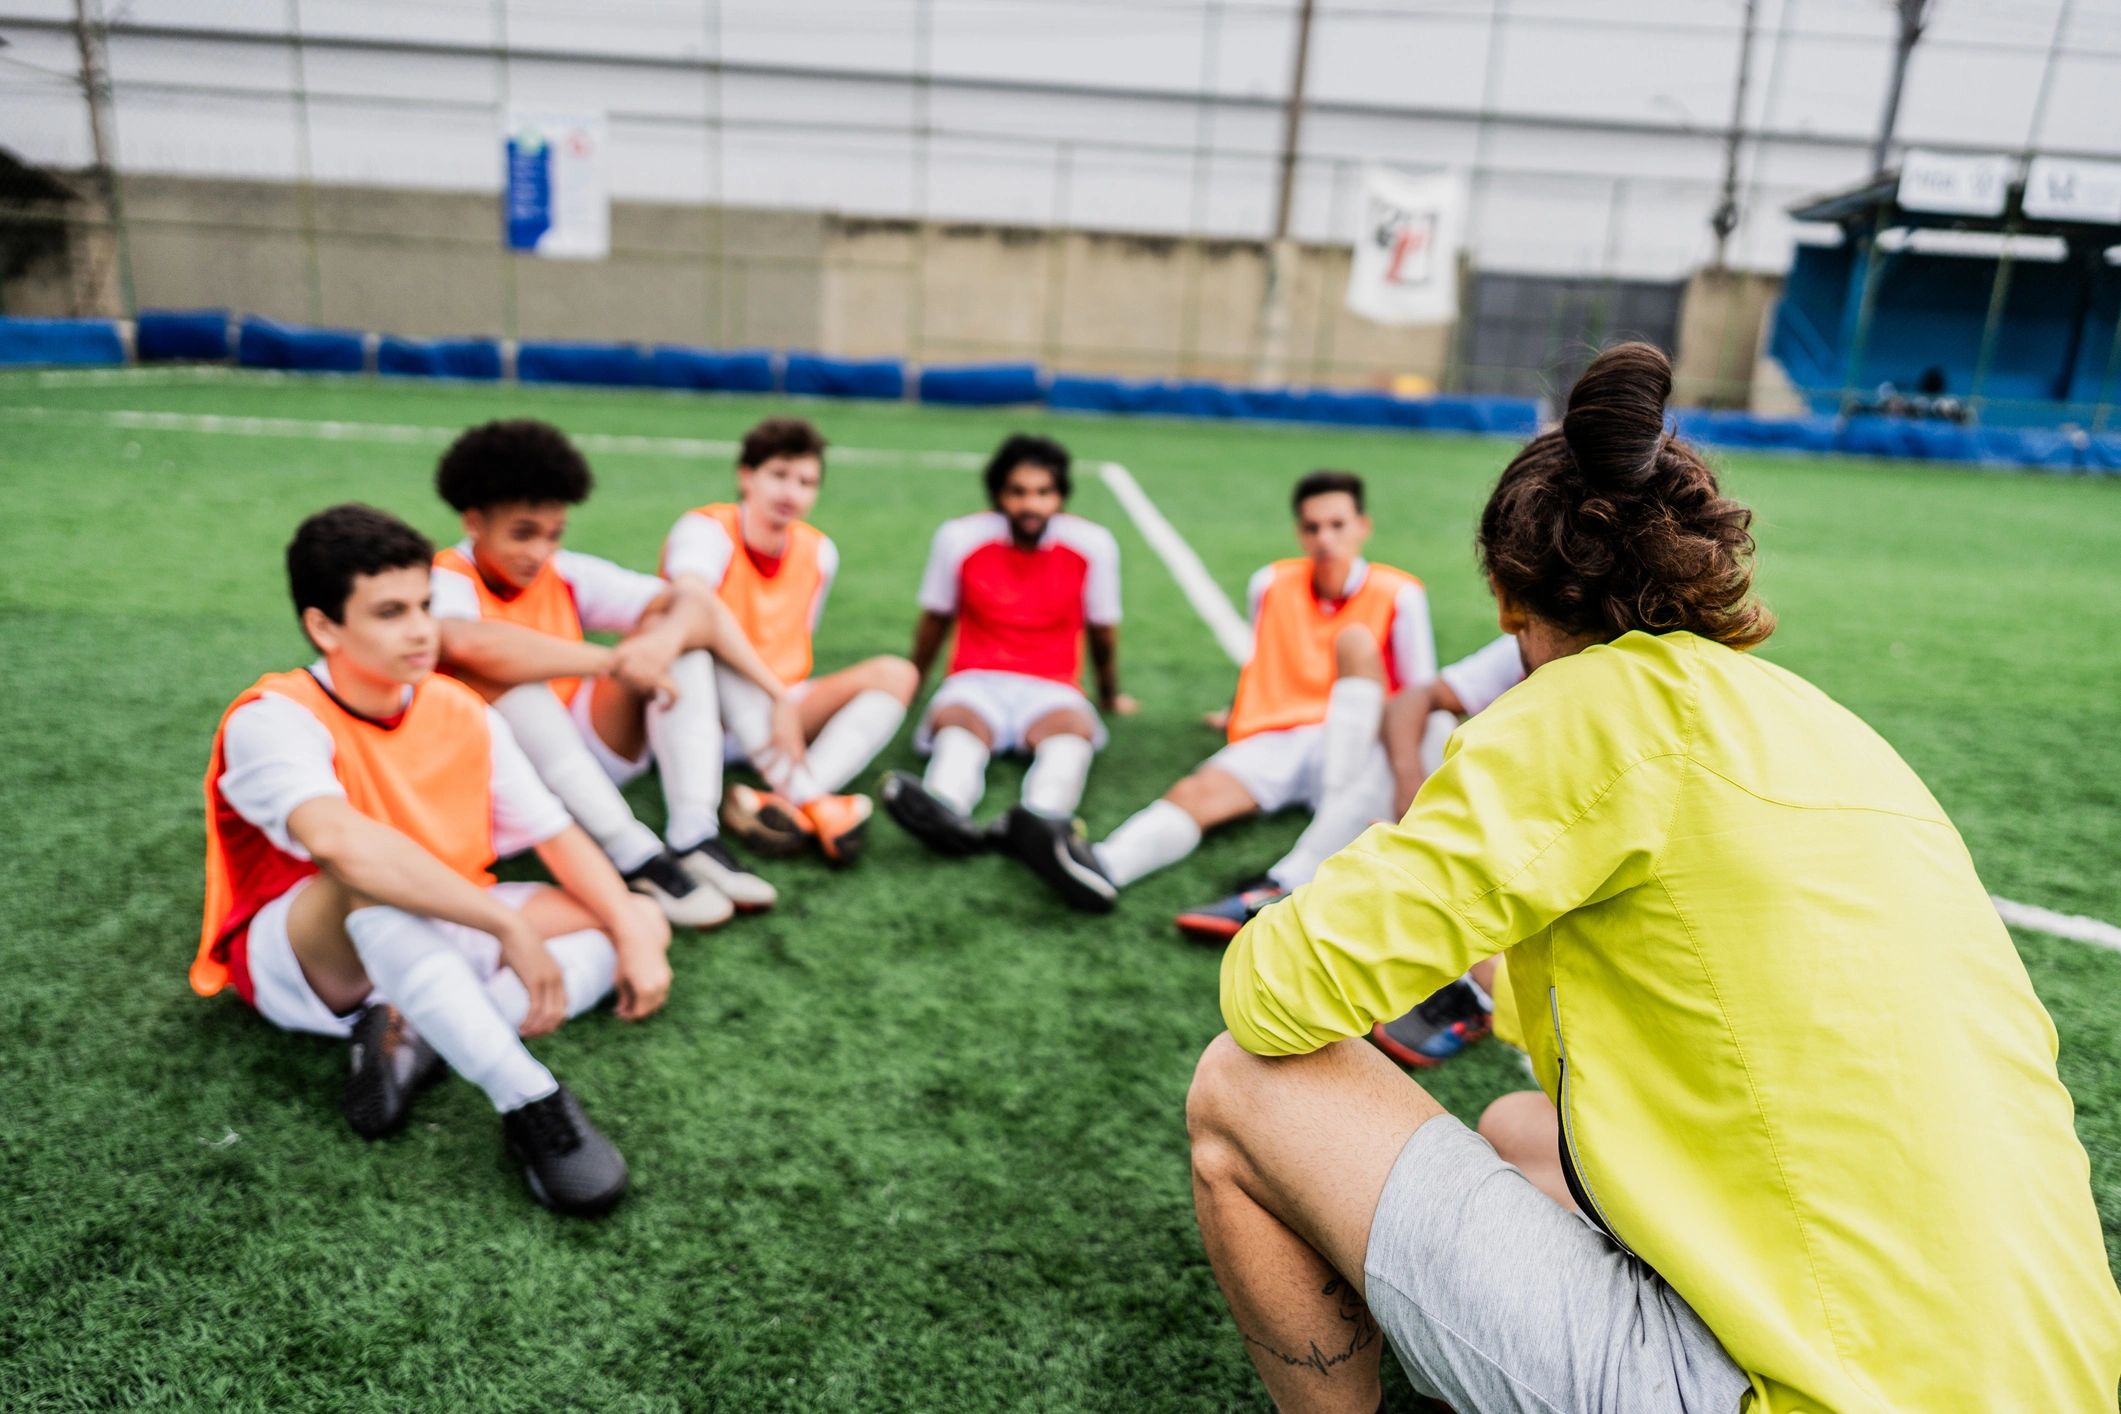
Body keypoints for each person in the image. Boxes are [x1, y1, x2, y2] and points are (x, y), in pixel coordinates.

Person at [1187, 344, 2121, 1412]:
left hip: (1807, 1392)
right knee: (1516, 1136)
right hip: (2061, 1376)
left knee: (1242, 1081)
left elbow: (1270, 993)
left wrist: (1409, 845)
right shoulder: (1831, 728)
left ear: (1510, 602)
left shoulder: (1572, 712)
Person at [193, 504, 670, 1217]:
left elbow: (554, 833)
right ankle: (531, 1100)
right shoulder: (274, 716)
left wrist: (634, 935)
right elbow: (340, 844)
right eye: (389, 612)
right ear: (325, 627)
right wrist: (505, 927)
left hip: (444, 920)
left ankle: (429, 1031)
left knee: (633, 915)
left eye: (423, 604)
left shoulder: (459, 707)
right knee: (366, 878)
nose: (421, 629)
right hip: (312, 957)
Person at [1018, 471, 1435, 925]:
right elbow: (1263, 660)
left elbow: (1417, 692)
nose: (1324, 538)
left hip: (1356, 741)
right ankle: (1103, 866)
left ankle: (1296, 871)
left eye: (1337, 525)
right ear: (1300, 532)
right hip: (1280, 732)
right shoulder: (1270, 583)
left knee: (1356, 649)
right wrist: (1237, 712)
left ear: (1362, 527)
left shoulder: (1400, 592)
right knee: (1196, 792)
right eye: (1312, 527)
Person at [428, 419, 790, 928]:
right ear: (473, 521)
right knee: (505, 680)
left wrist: (659, 647)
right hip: (507, 781)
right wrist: (612, 660)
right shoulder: (443, 579)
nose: (540, 551)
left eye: (553, 534)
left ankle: (694, 834)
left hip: (583, 755)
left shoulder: (565, 572)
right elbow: (466, 643)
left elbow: (694, 603)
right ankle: (635, 854)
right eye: (523, 533)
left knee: (680, 646)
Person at [879, 433, 1129, 897]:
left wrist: (1110, 694)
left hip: (1053, 685)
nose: (1030, 504)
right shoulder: (959, 538)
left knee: (1069, 746)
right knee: (958, 739)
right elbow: (936, 618)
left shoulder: (1092, 545)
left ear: (1059, 496)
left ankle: (1041, 827)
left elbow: (1103, 632)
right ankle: (944, 813)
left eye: (1043, 492)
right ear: (999, 495)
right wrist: (914, 680)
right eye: (1018, 492)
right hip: (974, 680)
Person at [660, 417, 910, 865]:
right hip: (701, 708)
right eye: (779, 475)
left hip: (779, 712)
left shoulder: (819, 551)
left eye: (806, 481)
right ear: (746, 476)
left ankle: (783, 802)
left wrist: (782, 699)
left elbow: (797, 639)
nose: (791, 492)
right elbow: (693, 607)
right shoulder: (705, 529)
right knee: (704, 644)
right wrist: (775, 695)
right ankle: (815, 799)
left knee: (897, 674)